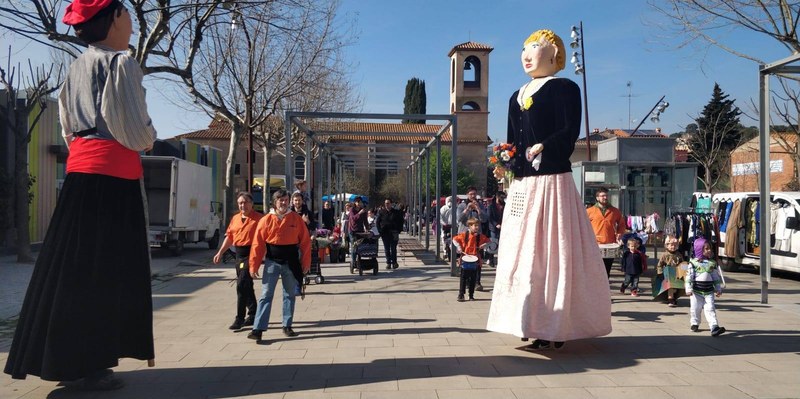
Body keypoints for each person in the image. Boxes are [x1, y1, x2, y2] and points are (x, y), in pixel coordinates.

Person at [4, 0, 155, 390]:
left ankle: (68, 358)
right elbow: (135, 129)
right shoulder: (120, 64)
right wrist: (148, 141)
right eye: (126, 14)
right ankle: (87, 364)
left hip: (81, 175)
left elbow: (68, 128)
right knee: (106, 272)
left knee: (71, 268)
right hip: (112, 179)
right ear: (113, 21)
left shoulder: (75, 68)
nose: (132, 21)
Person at [486, 29, 612, 351]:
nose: (526, 55)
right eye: (523, 49)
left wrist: (547, 144)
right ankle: (526, 319)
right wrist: (507, 160)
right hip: (523, 185)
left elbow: (569, 130)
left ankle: (556, 323)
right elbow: (513, 139)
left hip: (552, 181)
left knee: (553, 251)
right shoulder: (515, 95)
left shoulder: (564, 88)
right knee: (522, 254)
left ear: (554, 53)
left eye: (534, 48)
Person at [247, 189, 311, 342]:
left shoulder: (296, 219)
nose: (283, 203)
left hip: (291, 263)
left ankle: (287, 326)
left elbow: (305, 243)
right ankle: (258, 329)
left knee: (289, 295)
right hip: (272, 263)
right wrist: (253, 266)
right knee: (265, 295)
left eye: (285, 200)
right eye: (280, 200)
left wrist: (306, 263)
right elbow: (257, 244)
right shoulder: (266, 220)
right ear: (274, 202)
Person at [213, 192, 264, 330]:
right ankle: (253, 313)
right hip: (239, 255)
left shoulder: (259, 219)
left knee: (241, 284)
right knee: (246, 285)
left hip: (252, 254)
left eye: (246, 202)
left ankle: (239, 318)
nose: (243, 205)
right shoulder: (235, 219)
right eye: (240, 202)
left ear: (252, 203)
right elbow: (229, 237)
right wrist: (220, 252)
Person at [686, 237, 726, 336]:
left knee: (710, 308)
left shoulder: (712, 263)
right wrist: (688, 288)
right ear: (699, 249)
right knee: (695, 308)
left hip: (709, 292)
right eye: (706, 248)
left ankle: (714, 326)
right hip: (696, 292)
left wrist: (718, 288)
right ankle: (694, 322)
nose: (709, 251)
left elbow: (715, 277)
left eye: (710, 248)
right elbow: (689, 277)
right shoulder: (693, 263)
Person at [586, 188, 626, 278]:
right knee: (595, 269)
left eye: (606, 195)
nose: (605, 197)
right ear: (597, 198)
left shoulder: (615, 211)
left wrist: (619, 233)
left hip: (610, 244)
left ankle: (605, 289)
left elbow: (622, 224)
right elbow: (583, 226)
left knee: (607, 269)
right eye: (603, 196)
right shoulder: (589, 211)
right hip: (595, 244)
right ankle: (596, 289)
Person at [457, 187, 489, 290]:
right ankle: (466, 281)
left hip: (477, 237)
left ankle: (477, 282)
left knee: (477, 259)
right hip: (465, 236)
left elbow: (484, 219)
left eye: (474, 194)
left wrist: (478, 209)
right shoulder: (461, 205)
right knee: (466, 259)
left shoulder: (480, 205)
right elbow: (459, 219)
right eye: (471, 194)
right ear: (467, 195)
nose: (473, 196)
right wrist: (467, 209)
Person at [453, 218, 491, 302]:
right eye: (475, 225)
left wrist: (484, 245)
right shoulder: (464, 235)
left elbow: (489, 241)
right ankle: (461, 294)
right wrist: (459, 247)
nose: (477, 227)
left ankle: (471, 295)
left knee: (473, 279)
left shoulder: (479, 236)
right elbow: (455, 239)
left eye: (478, 225)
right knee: (463, 278)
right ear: (470, 226)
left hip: (475, 260)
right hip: (465, 260)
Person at [652, 235, 686, 307]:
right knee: (670, 286)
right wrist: (660, 272)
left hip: (676, 273)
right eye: (671, 245)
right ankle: (671, 299)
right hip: (668, 273)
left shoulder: (678, 255)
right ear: (667, 245)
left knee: (676, 287)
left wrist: (684, 270)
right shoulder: (665, 255)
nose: (673, 247)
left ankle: (673, 298)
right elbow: (660, 265)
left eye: (675, 245)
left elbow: (682, 264)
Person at [376, 198, 405, 269]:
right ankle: (388, 262)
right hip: (385, 233)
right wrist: (380, 231)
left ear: (391, 204)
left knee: (393, 248)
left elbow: (401, 221)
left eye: (388, 203)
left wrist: (399, 230)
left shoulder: (396, 212)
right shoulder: (381, 212)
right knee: (387, 249)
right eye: (385, 203)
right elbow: (377, 222)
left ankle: (394, 262)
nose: (386, 205)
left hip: (394, 233)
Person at [348, 197, 370, 268]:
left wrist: (367, 228)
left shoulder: (363, 210)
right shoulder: (352, 210)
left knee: (360, 247)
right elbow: (353, 218)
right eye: (357, 202)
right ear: (355, 203)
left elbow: (365, 220)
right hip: (352, 230)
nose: (359, 204)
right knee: (354, 247)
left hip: (360, 230)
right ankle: (354, 262)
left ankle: (359, 261)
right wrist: (359, 213)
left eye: (360, 202)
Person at [486, 191, 506, 266]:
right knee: (493, 243)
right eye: (501, 197)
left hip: (502, 227)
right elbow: (489, 217)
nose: (503, 199)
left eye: (504, 197)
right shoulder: (491, 206)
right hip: (493, 228)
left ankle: (500, 259)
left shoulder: (505, 205)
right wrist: (496, 224)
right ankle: (491, 259)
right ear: (497, 197)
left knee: (501, 243)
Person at [439, 196, 454, 261]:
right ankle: (445, 252)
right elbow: (440, 217)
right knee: (443, 239)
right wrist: (444, 223)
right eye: (449, 200)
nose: (450, 202)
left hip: (452, 226)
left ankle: (452, 252)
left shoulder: (455, 207)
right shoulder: (443, 208)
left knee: (452, 239)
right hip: (444, 226)